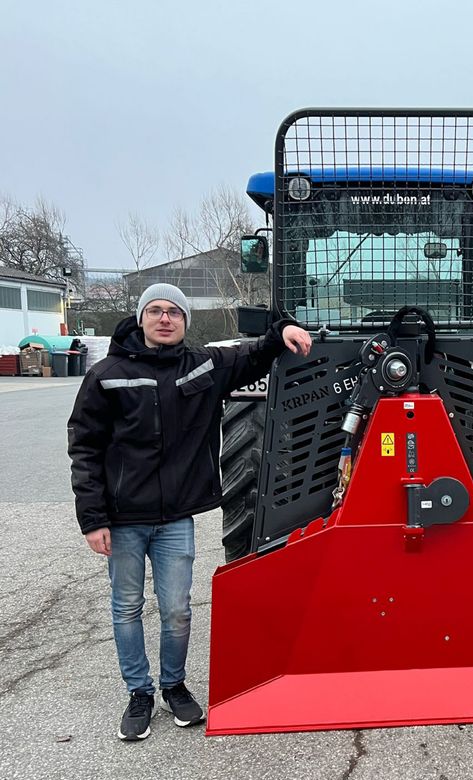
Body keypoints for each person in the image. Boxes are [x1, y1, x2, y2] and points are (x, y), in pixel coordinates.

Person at [68, 283, 312, 741]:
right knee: (127, 607)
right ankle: (139, 693)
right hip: (123, 519)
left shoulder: (203, 365)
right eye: (156, 311)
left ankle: (174, 686)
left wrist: (282, 331)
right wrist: (93, 519)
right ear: (141, 318)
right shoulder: (107, 375)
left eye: (174, 312)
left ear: (184, 320)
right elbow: (85, 448)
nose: (165, 319)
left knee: (178, 610)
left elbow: (253, 355)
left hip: (175, 518)